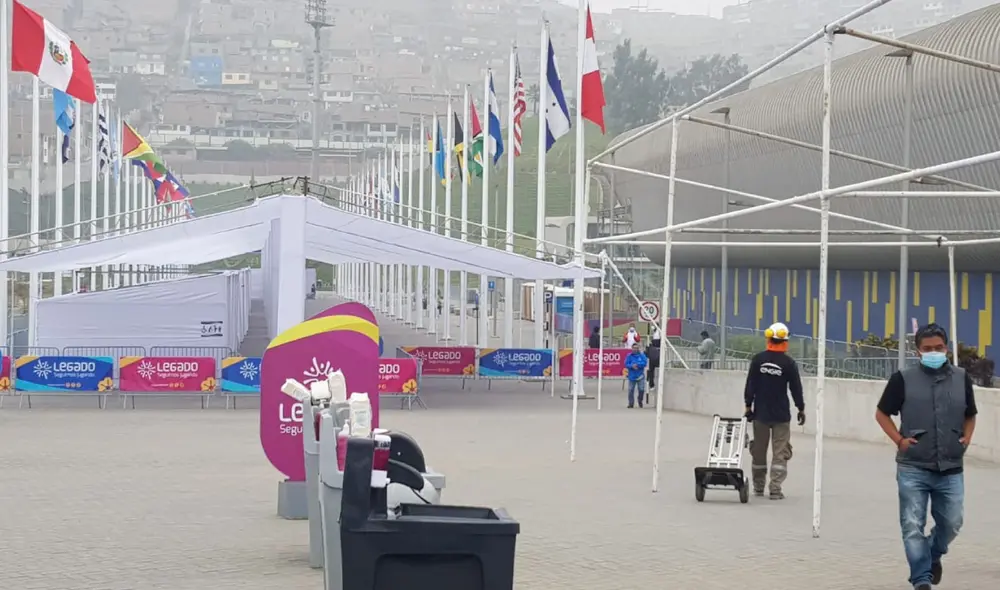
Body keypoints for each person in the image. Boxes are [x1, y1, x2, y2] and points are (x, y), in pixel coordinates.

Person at [874, 323, 977, 590]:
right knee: (912, 525)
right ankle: (921, 579)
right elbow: (881, 414)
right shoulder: (903, 379)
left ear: (947, 348)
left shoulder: (961, 377)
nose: (934, 352)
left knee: (952, 523)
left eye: (939, 348)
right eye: (927, 348)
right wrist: (899, 441)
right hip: (913, 466)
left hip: (951, 467)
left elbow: (970, 414)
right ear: (918, 351)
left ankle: (933, 554)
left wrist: (966, 438)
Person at [743, 322, 805, 500]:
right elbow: (796, 388)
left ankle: (758, 487)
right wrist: (801, 408)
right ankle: (775, 489)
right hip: (781, 415)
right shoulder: (788, 363)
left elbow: (751, 384)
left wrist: (748, 406)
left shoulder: (758, 359)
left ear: (769, 339)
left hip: (760, 414)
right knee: (780, 452)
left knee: (759, 451)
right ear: (785, 341)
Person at [624, 342, 648, 409]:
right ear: (632, 348)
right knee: (630, 390)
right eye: (634, 348)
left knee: (641, 389)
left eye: (637, 348)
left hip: (640, 376)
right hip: (632, 376)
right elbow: (626, 364)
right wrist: (632, 366)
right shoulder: (629, 356)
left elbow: (645, 363)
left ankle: (640, 401)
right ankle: (631, 403)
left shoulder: (642, 355)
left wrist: (637, 365)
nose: (635, 349)